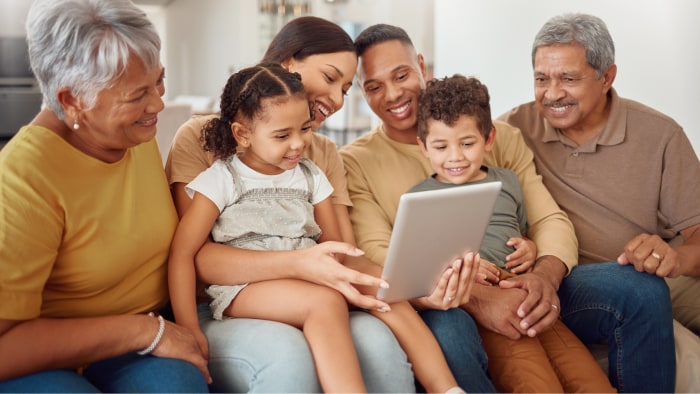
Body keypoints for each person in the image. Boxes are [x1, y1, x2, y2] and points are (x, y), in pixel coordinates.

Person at [165, 16, 419, 392]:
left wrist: (415, 286)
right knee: (288, 355)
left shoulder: (321, 156)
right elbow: (199, 259)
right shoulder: (202, 141)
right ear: (288, 66)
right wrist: (300, 264)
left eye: (347, 89)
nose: (335, 100)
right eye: (330, 78)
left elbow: (343, 252)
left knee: (381, 348)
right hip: (228, 300)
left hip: (315, 292)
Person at [340, 23, 595, 392]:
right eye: (374, 86)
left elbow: (545, 219)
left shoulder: (499, 136)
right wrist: (478, 297)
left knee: (626, 304)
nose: (393, 94)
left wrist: (544, 274)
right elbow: (382, 254)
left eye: (401, 75)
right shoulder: (355, 162)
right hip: (439, 299)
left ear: (421, 66)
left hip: (521, 281)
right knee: (461, 332)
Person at [0, 0, 209, 392]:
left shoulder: (127, 133)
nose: (158, 104)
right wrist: (142, 331)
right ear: (71, 100)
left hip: (140, 339)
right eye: (137, 96)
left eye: (159, 81)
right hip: (47, 355)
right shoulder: (22, 180)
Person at [500, 12, 699, 392]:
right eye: (542, 78)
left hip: (652, 276)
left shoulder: (660, 135)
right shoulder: (511, 131)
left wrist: (674, 258)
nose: (552, 93)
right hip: (568, 281)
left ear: (606, 77)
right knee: (639, 291)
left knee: (645, 285)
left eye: (568, 79)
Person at [408, 73, 614, 392]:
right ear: (423, 146)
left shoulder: (507, 182)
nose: (455, 157)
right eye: (441, 146)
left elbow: (524, 230)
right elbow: (419, 267)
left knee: (590, 382)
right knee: (533, 382)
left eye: (467, 143)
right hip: (487, 301)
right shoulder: (420, 198)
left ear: (489, 139)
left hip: (528, 294)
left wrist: (530, 247)